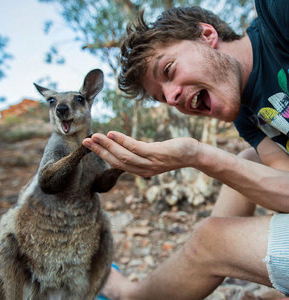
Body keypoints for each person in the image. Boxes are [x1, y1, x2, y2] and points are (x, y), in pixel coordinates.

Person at [83, 1, 289, 299]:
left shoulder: (277, 16)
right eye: (163, 98)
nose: (173, 96)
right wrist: (196, 155)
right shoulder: (247, 115)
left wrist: (198, 155)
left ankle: (129, 296)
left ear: (207, 35)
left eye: (169, 70)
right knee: (248, 160)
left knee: (211, 241)